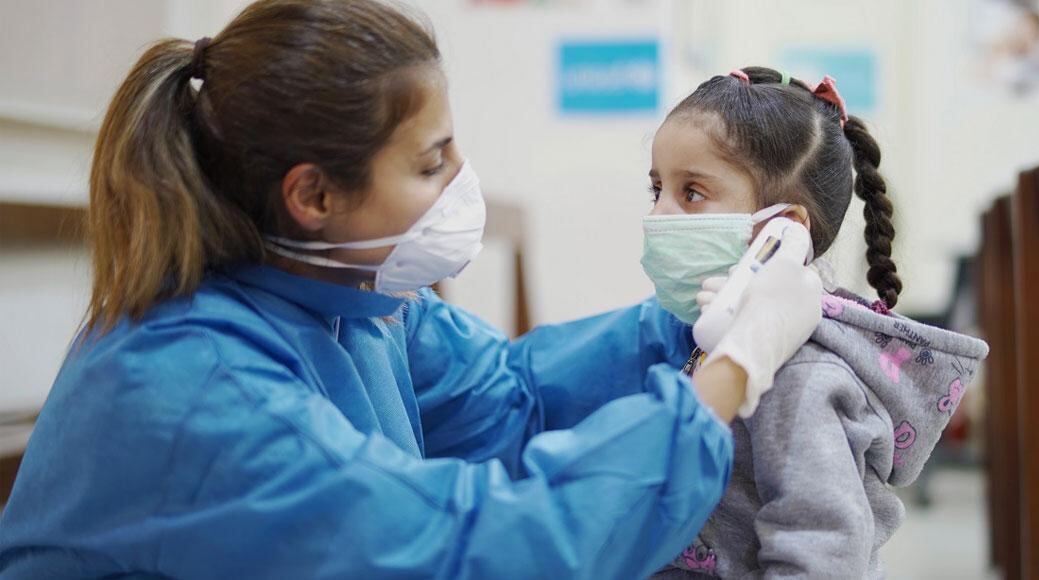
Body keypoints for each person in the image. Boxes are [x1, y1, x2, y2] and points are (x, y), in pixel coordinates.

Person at [0, 5, 823, 579]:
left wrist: (691, 313)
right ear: (313, 196)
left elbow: (513, 398)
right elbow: (482, 551)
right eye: (430, 163)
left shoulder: (350, 297)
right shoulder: (192, 388)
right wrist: (734, 369)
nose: (461, 182)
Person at [641, 67, 990, 578]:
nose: (661, 215)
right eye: (657, 190)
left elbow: (822, 552)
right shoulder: (699, 336)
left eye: (692, 192)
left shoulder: (800, 375)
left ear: (783, 231)